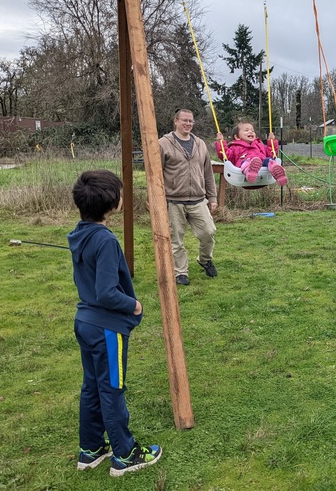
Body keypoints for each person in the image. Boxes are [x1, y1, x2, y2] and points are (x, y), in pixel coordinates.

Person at [68, 170, 162, 477]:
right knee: (112, 389)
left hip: (84, 323)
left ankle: (90, 449)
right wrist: (133, 304)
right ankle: (125, 454)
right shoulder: (105, 241)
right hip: (106, 328)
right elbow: (107, 293)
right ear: (112, 203)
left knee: (92, 387)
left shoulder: (81, 233)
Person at [159, 108, 218, 286]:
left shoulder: (200, 144)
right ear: (175, 121)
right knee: (176, 239)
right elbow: (156, 174)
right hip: (173, 200)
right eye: (184, 120)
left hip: (198, 199)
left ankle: (205, 259)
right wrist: (157, 199)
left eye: (191, 121)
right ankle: (181, 272)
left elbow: (208, 172)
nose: (188, 124)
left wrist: (212, 197)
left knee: (209, 232)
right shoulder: (163, 143)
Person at [215, 121, 288, 186]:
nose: (251, 132)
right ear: (237, 137)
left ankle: (277, 172)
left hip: (262, 164)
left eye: (252, 131)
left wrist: (271, 142)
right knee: (246, 162)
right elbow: (225, 155)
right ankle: (250, 170)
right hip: (244, 164)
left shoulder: (259, 145)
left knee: (270, 160)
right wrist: (220, 142)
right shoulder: (235, 147)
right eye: (246, 130)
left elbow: (271, 153)